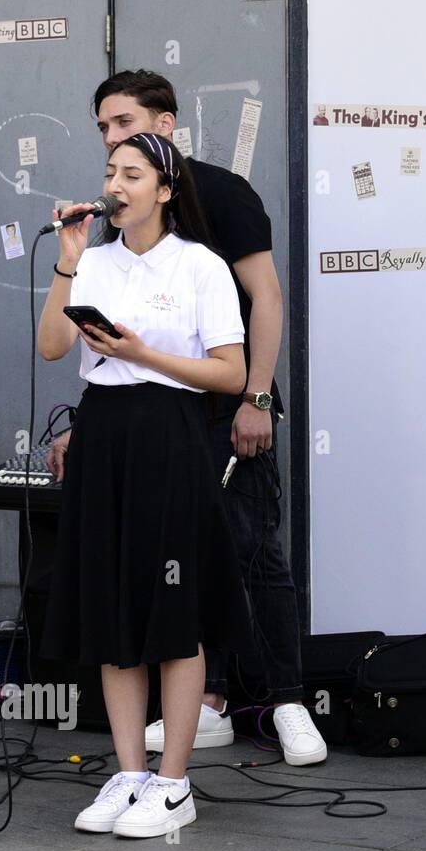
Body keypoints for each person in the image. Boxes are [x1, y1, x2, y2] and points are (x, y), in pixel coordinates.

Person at [49, 70, 324, 767]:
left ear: (165, 127)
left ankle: (288, 697)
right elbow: (81, 350)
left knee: (251, 547)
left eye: (124, 126)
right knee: (170, 565)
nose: (112, 144)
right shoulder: (104, 250)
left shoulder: (222, 202)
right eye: (105, 134)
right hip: (137, 418)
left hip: (218, 402)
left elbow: (264, 297)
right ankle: (208, 704)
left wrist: (255, 397)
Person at [37, 133, 251, 837]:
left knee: (172, 606)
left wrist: (142, 353)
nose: (116, 184)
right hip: (104, 431)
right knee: (112, 602)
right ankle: (128, 773)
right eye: (109, 172)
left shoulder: (200, 265)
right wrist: (67, 264)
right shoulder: (92, 261)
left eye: (133, 174)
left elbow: (231, 373)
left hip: (171, 431)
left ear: (164, 189)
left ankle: (173, 781)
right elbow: (51, 346)